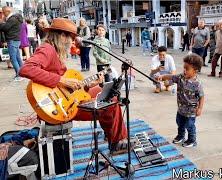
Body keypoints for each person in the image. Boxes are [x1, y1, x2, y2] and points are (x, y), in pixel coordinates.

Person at [18, 18, 130, 155]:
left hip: (65, 97)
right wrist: (61, 80)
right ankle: (117, 143)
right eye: (71, 38)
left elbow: (68, 87)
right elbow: (26, 69)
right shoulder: (47, 49)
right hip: (59, 106)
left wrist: (88, 85)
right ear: (62, 35)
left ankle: (110, 132)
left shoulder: (54, 50)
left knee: (102, 92)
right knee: (111, 102)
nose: (72, 42)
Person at [156, 53, 204, 147]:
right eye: (184, 68)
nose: (184, 70)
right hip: (181, 109)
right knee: (180, 123)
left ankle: (192, 140)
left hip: (191, 111)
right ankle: (180, 136)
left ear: (195, 70)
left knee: (190, 126)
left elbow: (202, 96)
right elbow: (171, 77)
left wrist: (200, 108)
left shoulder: (197, 84)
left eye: (187, 69)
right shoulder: (181, 77)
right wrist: (163, 77)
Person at [0, 6, 23, 81]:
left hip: (12, 40)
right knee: (18, 58)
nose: (3, 14)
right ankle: (22, 74)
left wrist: (1, 22)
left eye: (3, 12)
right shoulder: (17, 18)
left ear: (7, 12)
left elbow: (5, 28)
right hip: (16, 39)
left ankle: (19, 76)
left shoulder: (12, 19)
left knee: (13, 59)